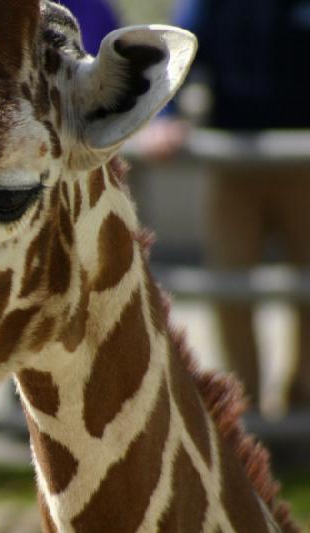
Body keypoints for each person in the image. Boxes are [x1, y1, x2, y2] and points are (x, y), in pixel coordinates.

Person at [140, 0, 310, 411]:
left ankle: (302, 405)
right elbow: (182, 52)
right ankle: (245, 409)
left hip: (303, 164)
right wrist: (168, 114)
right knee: (230, 286)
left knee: (306, 288)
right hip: (231, 163)